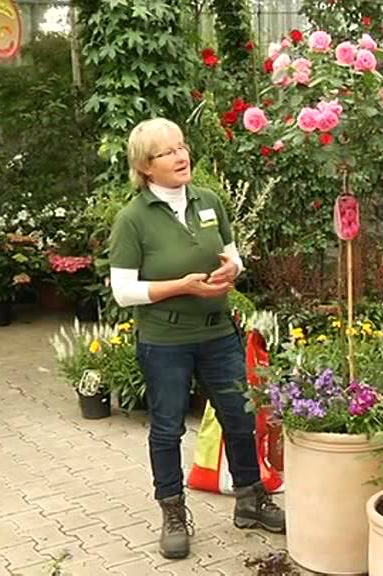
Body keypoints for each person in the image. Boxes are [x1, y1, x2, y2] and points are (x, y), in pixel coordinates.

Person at [109, 117, 285, 560]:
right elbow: (124, 291)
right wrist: (180, 287)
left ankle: (250, 499)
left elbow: (233, 256)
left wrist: (232, 270)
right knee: (167, 428)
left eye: (182, 146)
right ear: (146, 166)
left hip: (219, 334)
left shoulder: (209, 201)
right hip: (165, 339)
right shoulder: (133, 219)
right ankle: (172, 512)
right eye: (167, 152)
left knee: (240, 418)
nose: (180, 156)